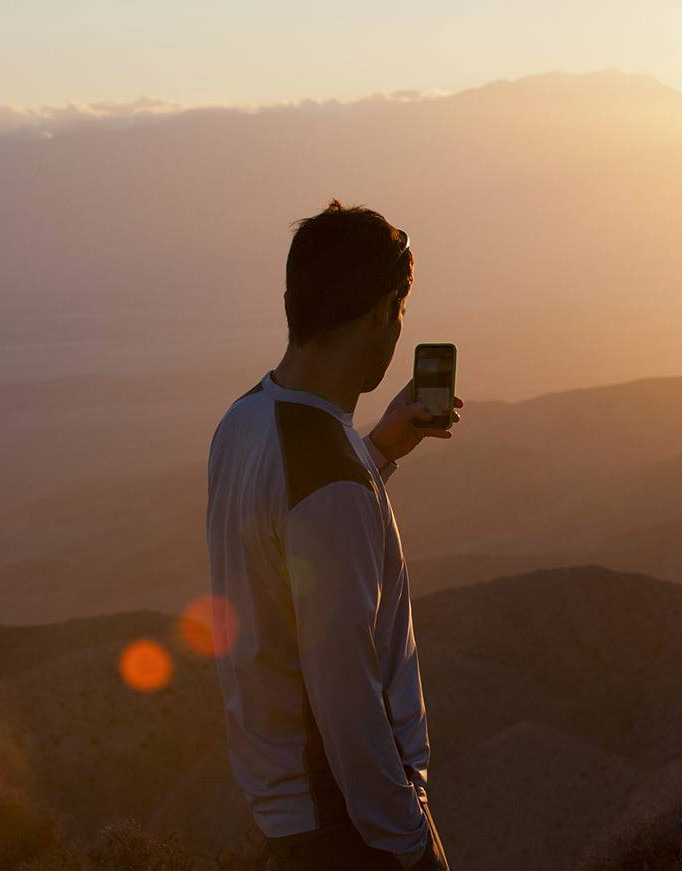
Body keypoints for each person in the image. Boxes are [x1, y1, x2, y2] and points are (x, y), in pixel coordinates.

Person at [206, 200, 460, 870]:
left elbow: (290, 538)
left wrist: (378, 450)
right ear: (382, 312)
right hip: (349, 831)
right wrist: (409, 841)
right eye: (398, 315)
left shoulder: (246, 421)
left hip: (295, 820)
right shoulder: (330, 482)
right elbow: (348, 700)